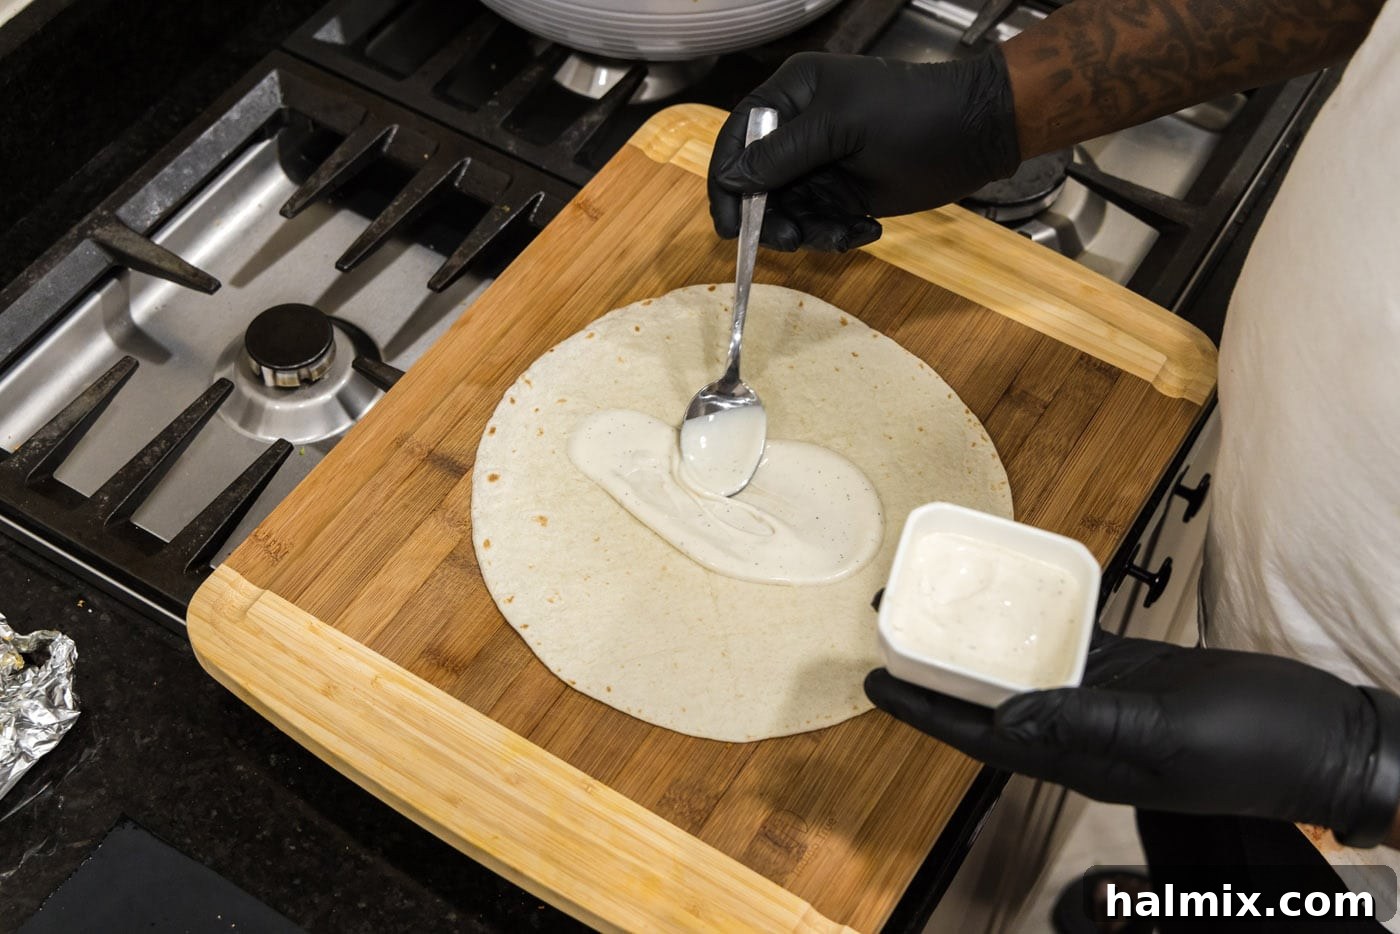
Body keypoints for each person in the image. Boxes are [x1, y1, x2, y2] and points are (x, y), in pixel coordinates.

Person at [708, 0, 1399, 930]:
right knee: (1201, 871)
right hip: (1249, 660)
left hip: (1354, 823)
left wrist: (1362, 767)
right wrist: (997, 101)